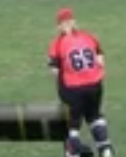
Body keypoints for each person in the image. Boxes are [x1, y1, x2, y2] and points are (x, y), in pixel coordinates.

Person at [47, 8, 115, 157]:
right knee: (95, 116)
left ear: (58, 26)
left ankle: (73, 153)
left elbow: (55, 71)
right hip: (95, 86)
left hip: (73, 90)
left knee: (71, 126)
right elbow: (101, 60)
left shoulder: (57, 43)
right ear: (73, 21)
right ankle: (106, 150)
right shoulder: (88, 37)